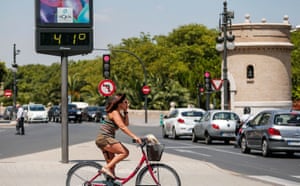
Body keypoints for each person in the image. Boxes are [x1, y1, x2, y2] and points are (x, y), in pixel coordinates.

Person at [95, 93, 142, 179]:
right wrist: (135, 137)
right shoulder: (114, 112)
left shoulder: (118, 113)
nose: (126, 103)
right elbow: (122, 127)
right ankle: (105, 168)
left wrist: (125, 110)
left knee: (112, 166)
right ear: (119, 103)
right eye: (125, 102)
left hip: (106, 138)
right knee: (125, 152)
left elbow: (126, 123)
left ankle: (110, 180)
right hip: (104, 138)